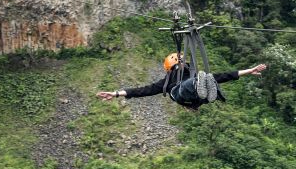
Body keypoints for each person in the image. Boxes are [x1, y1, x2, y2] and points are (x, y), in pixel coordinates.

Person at [96, 53, 267, 109]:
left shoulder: (166, 82)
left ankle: (206, 90)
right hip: (187, 93)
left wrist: (249, 71)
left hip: (192, 96)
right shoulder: (169, 81)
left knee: (204, 81)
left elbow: (143, 91)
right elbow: (141, 91)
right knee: (200, 82)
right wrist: (116, 93)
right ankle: (205, 88)